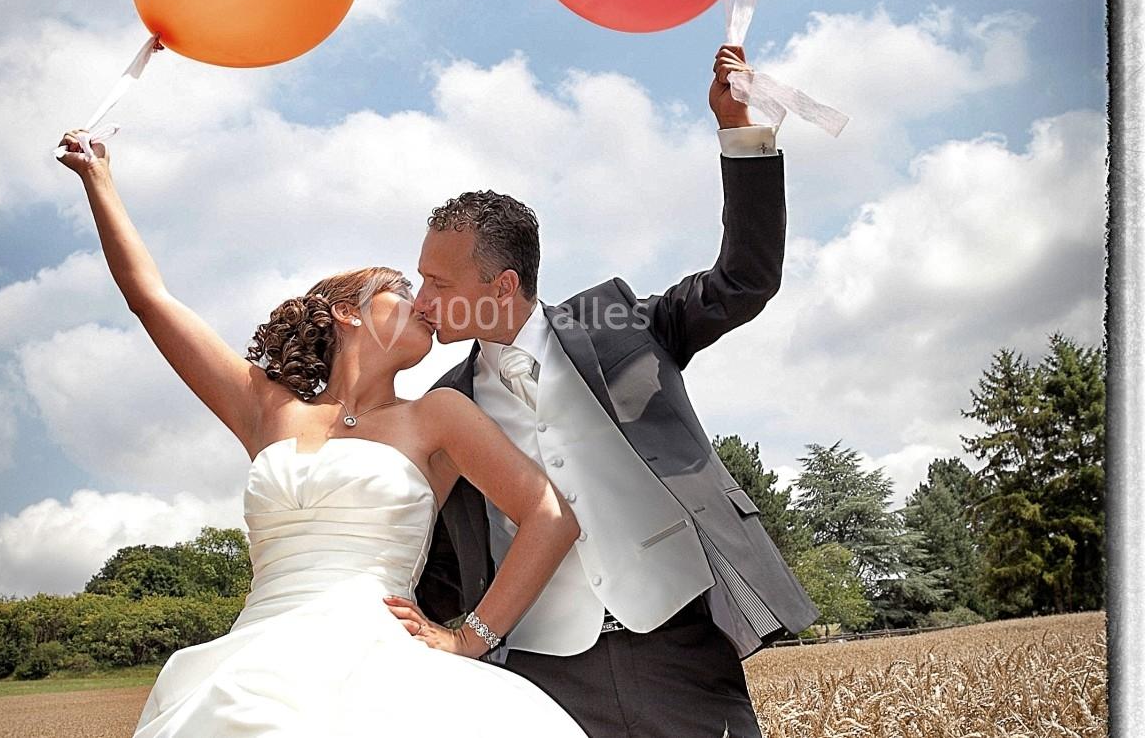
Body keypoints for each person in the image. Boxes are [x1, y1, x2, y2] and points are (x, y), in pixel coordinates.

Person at [53, 131, 589, 737]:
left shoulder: (439, 415)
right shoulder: (265, 409)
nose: (427, 304)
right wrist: (98, 181)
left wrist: (473, 636)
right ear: (348, 311)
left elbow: (551, 516)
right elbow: (150, 299)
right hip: (252, 663)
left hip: (383, 665)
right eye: (405, 291)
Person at [403, 43, 820, 738]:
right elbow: (438, 562)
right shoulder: (445, 411)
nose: (422, 300)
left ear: (501, 286)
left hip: (679, 647)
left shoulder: (620, 322)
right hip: (537, 675)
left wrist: (739, 133)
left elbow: (745, 278)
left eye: (439, 283)